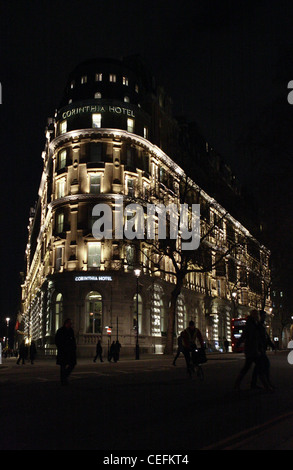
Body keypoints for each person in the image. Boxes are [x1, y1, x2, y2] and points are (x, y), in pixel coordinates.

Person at [234, 310, 271, 390]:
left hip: (253, 349)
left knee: (250, 367)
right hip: (252, 350)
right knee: (255, 367)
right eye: (257, 314)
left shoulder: (254, 324)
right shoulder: (251, 324)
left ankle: (239, 384)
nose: (258, 316)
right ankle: (266, 386)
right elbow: (245, 336)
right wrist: (237, 344)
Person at [251, 310, 275, 390]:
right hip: (259, 349)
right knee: (265, 365)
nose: (265, 318)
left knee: (257, 367)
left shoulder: (260, 325)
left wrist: (272, 345)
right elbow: (258, 338)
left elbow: (266, 337)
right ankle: (267, 384)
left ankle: (254, 384)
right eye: (264, 316)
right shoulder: (258, 326)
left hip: (260, 349)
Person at [55, 318, 76, 385]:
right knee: (63, 366)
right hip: (63, 351)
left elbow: (73, 340)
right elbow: (57, 340)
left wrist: (74, 347)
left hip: (70, 351)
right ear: (66, 323)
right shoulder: (60, 331)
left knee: (72, 364)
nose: (71, 324)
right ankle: (63, 380)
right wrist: (61, 347)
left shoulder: (71, 331)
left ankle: (64, 377)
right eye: (70, 323)